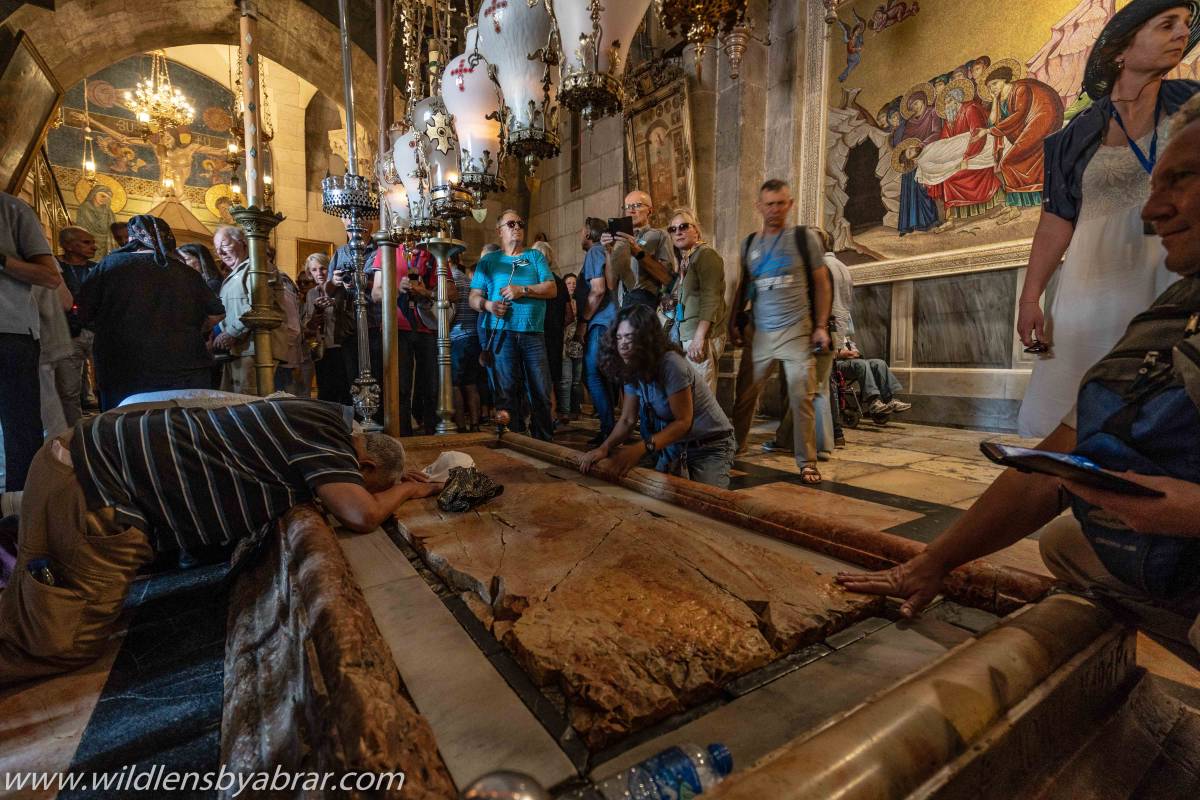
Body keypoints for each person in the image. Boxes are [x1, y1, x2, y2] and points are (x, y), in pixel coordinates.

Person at [838, 94, 1200, 667]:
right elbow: (1059, 461)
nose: (1151, 211)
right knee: (1068, 544)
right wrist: (932, 563)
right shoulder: (1176, 310)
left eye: (1179, 180)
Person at [0, 394, 442, 684]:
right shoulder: (330, 439)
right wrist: (408, 489)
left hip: (79, 464)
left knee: (35, 606)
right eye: (367, 482)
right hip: (91, 488)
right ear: (361, 466)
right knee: (61, 642)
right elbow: (359, 514)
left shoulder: (312, 415)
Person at [1016, 1, 1199, 437]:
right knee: (1074, 415)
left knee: (1163, 409)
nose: (1181, 34)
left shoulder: (1192, 107)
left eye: (1185, 26)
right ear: (1121, 49)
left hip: (1169, 274)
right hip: (1090, 286)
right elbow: (1056, 220)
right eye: (1166, 25)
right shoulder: (1072, 137)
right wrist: (1030, 299)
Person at [729, 180, 833, 486]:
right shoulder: (749, 244)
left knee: (802, 398)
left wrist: (821, 326)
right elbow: (742, 285)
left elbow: (822, 282)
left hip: (796, 332)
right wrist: (734, 321)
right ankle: (735, 444)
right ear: (758, 206)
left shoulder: (803, 239)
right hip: (760, 334)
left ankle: (807, 462)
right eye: (769, 204)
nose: (774, 209)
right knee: (744, 395)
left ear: (790, 205)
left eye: (780, 203)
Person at [580, 305, 736, 488]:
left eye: (629, 337)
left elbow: (683, 422)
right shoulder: (632, 366)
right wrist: (604, 448)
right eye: (619, 337)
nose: (623, 344)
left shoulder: (671, 364)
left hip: (710, 447)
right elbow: (628, 419)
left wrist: (640, 448)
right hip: (676, 446)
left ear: (647, 339)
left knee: (707, 504)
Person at [78, 216, 225, 409]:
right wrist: (193, 327)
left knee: (125, 429)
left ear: (132, 239)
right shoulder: (186, 272)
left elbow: (83, 312)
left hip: (124, 367)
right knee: (180, 429)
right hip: (184, 367)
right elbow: (217, 313)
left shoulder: (109, 266)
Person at [469, 209, 557, 440]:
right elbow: (473, 297)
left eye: (520, 223)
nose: (517, 227)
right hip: (502, 334)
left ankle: (544, 440)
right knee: (506, 390)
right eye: (511, 224)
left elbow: (551, 288)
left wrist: (523, 290)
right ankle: (511, 438)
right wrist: (489, 306)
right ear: (500, 231)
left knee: (540, 390)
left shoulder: (535, 257)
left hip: (532, 333)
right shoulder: (489, 262)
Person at [0, 193, 61, 493]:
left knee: (20, 431)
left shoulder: (11, 209)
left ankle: (20, 515)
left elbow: (50, 277)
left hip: (9, 334)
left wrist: (2, 260)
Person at [370, 244, 446, 435]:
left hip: (427, 327)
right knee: (400, 388)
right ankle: (403, 437)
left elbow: (450, 292)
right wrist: (397, 289)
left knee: (432, 387)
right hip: (397, 327)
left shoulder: (432, 250)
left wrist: (425, 292)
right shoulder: (387, 249)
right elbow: (376, 293)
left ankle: (431, 438)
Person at [212, 225, 288, 395]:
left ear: (243, 243)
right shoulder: (235, 274)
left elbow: (259, 305)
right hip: (239, 349)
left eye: (225, 245)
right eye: (217, 249)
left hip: (256, 348)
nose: (221, 253)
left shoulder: (259, 267)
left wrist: (231, 332)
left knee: (249, 402)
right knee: (231, 401)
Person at [664, 209, 727, 394]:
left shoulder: (706, 255)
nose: (678, 232)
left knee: (702, 397)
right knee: (692, 396)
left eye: (683, 226)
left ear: (696, 230)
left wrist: (700, 337)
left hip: (700, 336)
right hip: (687, 335)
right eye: (673, 229)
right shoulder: (688, 260)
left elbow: (711, 297)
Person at [574, 217, 618, 444]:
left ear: (589, 234)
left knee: (591, 374)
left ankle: (609, 429)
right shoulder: (605, 251)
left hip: (600, 323)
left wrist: (583, 321)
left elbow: (598, 290)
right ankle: (611, 427)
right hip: (610, 322)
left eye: (581, 231)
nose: (580, 236)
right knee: (603, 376)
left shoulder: (594, 252)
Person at [56, 226, 99, 426]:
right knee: (68, 389)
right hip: (67, 333)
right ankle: (74, 433)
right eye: (86, 242)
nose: (94, 247)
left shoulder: (97, 268)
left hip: (96, 331)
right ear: (69, 245)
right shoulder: (55, 267)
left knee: (104, 382)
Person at [602, 190, 674, 309]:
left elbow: (667, 278)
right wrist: (608, 252)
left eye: (637, 205)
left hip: (647, 304)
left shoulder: (659, 236)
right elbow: (611, 284)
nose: (631, 210)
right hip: (624, 305)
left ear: (650, 211)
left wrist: (637, 251)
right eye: (627, 207)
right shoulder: (620, 242)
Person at [303, 253, 355, 405]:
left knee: (345, 391)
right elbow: (308, 326)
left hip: (343, 346)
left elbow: (353, 319)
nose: (319, 273)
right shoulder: (312, 293)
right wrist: (314, 320)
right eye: (314, 270)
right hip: (322, 349)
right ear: (309, 273)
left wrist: (336, 305)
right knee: (325, 392)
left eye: (323, 268)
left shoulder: (342, 290)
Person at [533, 241, 569, 427]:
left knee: (540, 376)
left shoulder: (535, 282)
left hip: (539, 333)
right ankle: (552, 414)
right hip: (556, 334)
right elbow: (569, 314)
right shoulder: (560, 282)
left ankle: (548, 415)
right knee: (552, 376)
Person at [838, 338, 912, 415]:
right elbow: (831, 353)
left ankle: (889, 400)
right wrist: (848, 354)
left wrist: (854, 353)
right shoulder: (829, 333)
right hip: (837, 363)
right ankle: (873, 402)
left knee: (879, 363)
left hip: (852, 360)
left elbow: (856, 352)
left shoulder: (844, 336)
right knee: (861, 364)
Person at [451, 253, 481, 431]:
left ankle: (461, 426)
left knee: (454, 384)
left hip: (458, 336)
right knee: (471, 383)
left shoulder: (451, 279)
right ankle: (475, 424)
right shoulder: (469, 281)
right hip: (474, 336)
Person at [559, 273, 584, 422]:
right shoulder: (561, 302)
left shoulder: (581, 302)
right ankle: (565, 412)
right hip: (564, 344)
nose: (572, 286)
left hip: (578, 345)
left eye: (574, 283)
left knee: (576, 381)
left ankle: (576, 409)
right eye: (568, 283)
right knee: (566, 380)